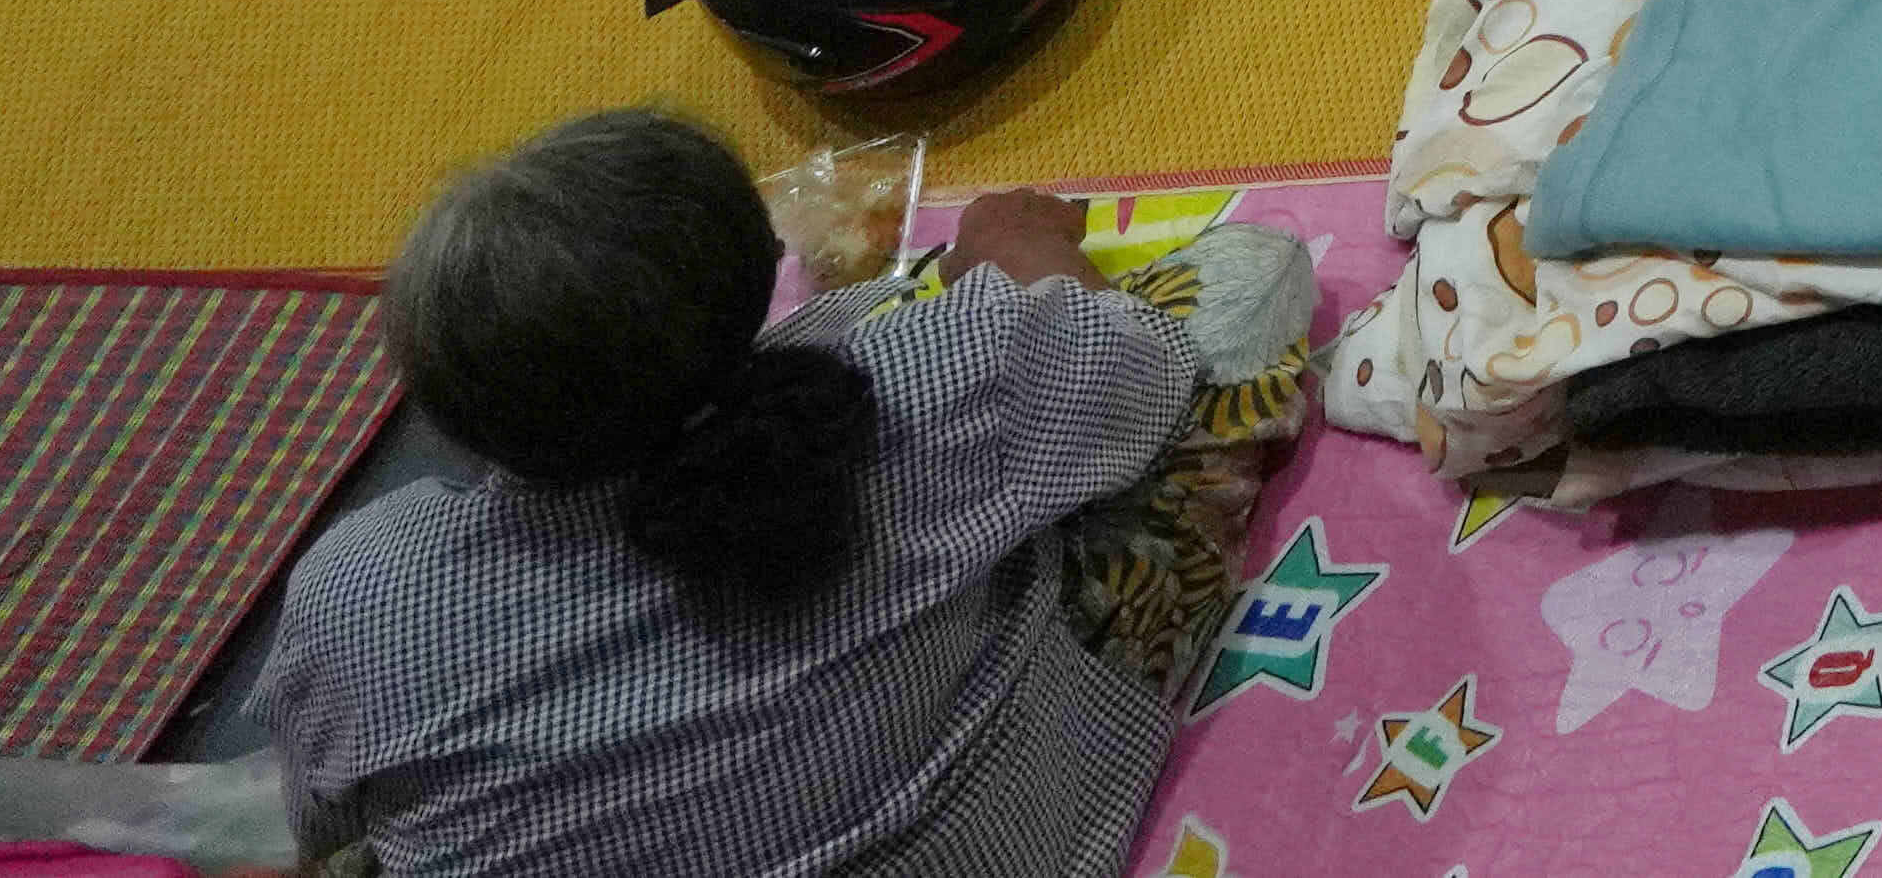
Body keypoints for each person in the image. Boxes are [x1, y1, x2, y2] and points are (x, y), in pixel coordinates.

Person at [264, 109, 1253, 878]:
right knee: (1249, 282)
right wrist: (1021, 252)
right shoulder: (930, 387)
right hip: (1021, 832)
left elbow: (324, 821)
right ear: (753, 266)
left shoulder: (353, 587)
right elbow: (1149, 363)